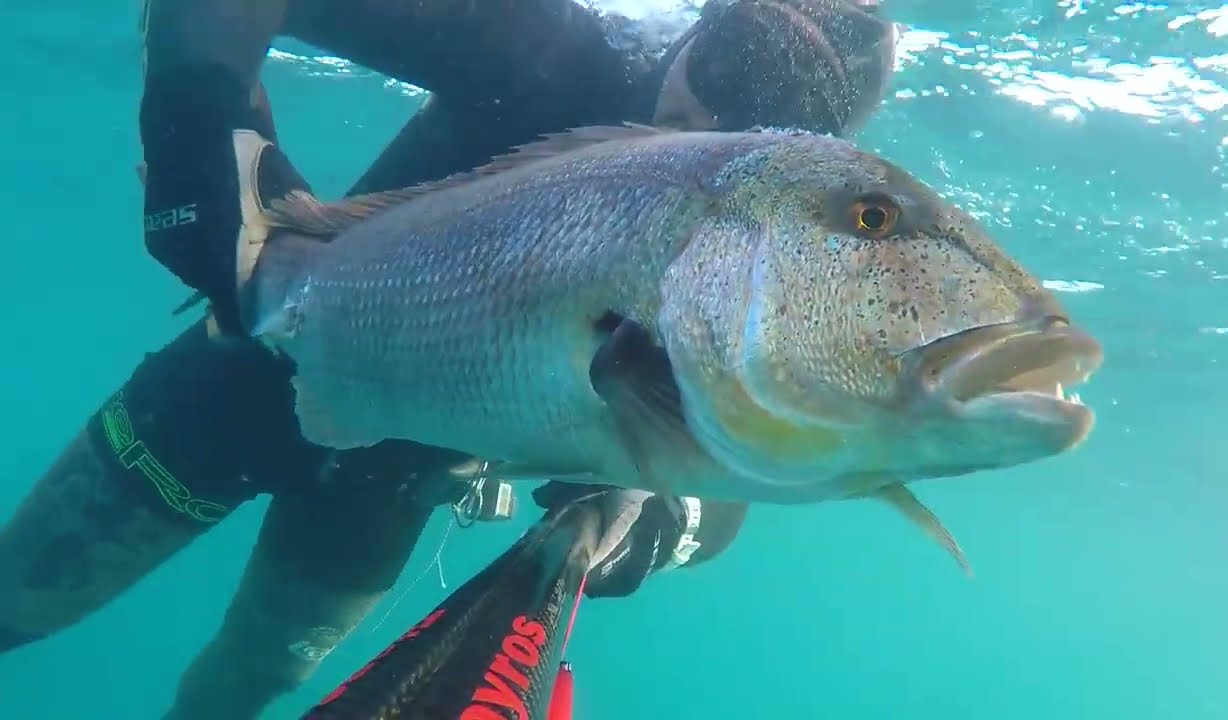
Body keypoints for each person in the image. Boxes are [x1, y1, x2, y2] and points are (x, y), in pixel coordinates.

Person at [0, 1, 898, 718]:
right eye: (682, 106)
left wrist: (660, 519)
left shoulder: (796, 242)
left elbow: (763, 452)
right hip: (241, 378)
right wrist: (196, 111)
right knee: (14, 602)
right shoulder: (549, 48)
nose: (678, 146)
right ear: (699, 23)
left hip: (389, 485)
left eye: (731, 141)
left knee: (243, 685)